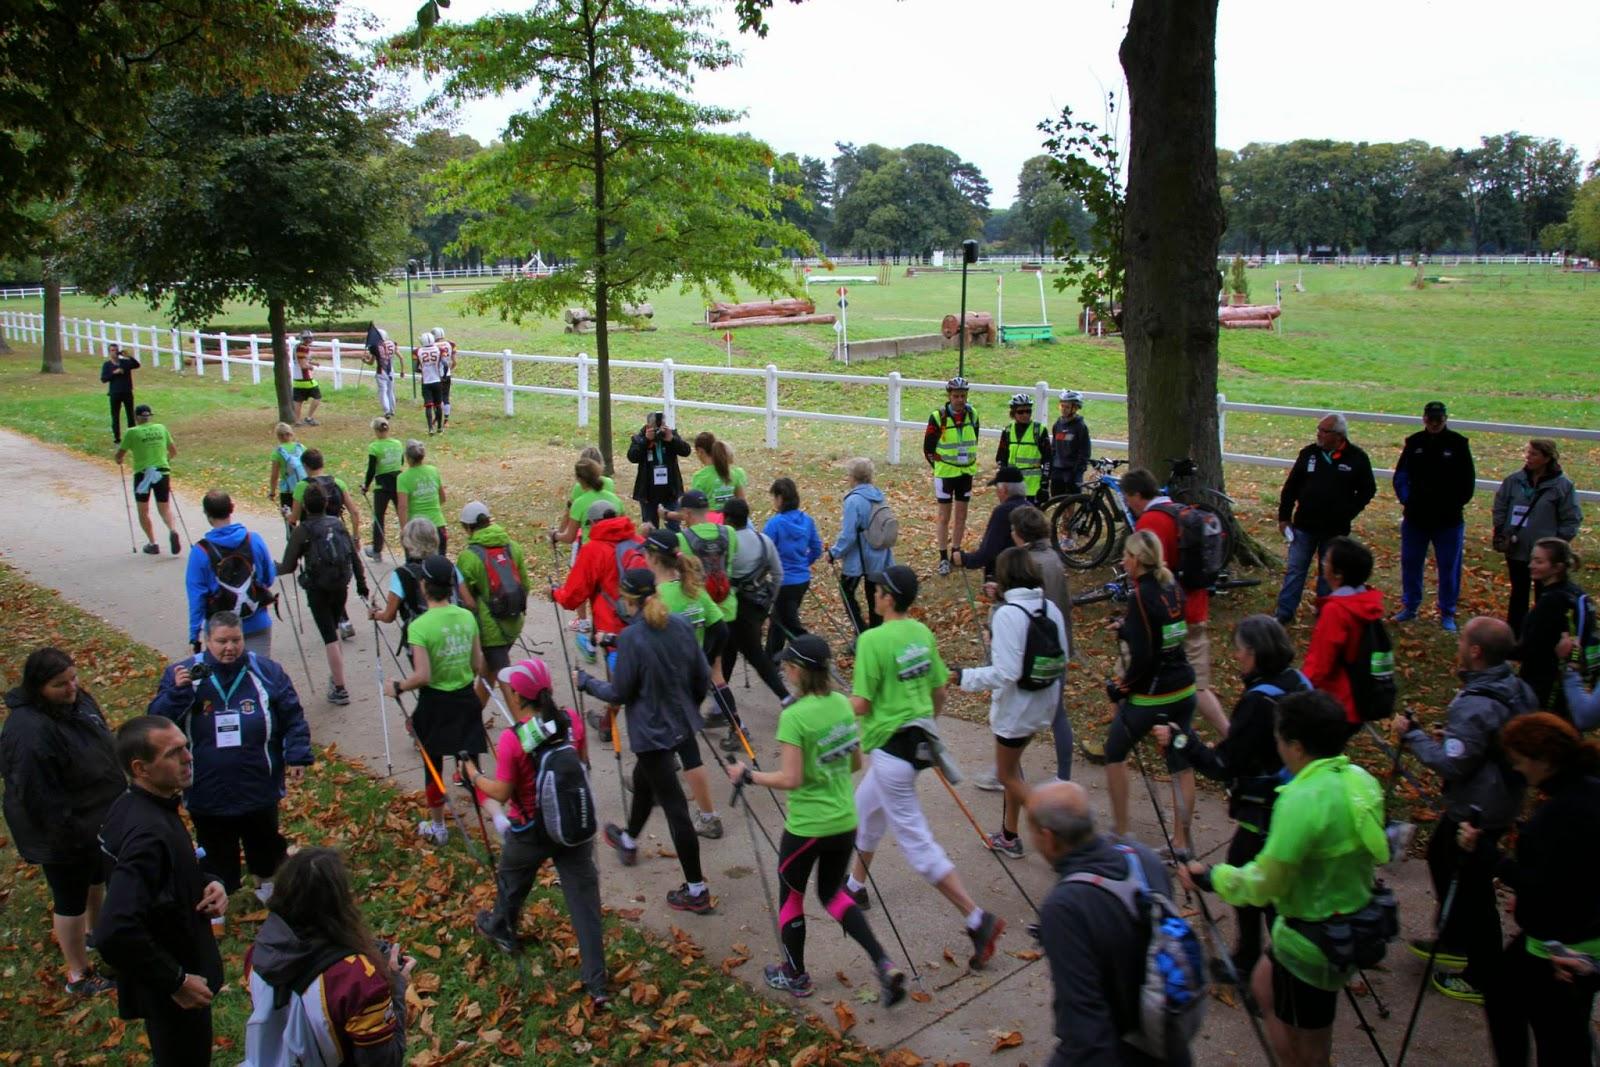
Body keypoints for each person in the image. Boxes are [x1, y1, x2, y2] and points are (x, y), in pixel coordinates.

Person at [1179, 691, 1389, 1067]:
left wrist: (1211, 877)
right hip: (1350, 921)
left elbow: (1264, 883)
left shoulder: (1299, 799)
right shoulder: (1361, 780)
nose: (1276, 745)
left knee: (1311, 1043)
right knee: (1262, 985)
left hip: (1311, 939)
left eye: (1279, 739)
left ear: (1296, 745)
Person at [724, 634, 907, 1004]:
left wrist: (749, 775)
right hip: (843, 822)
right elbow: (855, 762)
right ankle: (884, 963)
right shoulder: (841, 704)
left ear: (801, 672)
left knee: (792, 895)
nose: (784, 670)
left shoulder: (794, 717)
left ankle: (795, 974)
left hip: (807, 827)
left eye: (788, 666)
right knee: (832, 893)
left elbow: (790, 778)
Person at [842, 564, 1006, 969]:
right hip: (913, 748)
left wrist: (821, 708)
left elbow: (860, 704)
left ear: (889, 598)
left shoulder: (873, 640)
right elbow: (938, 690)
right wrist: (925, 723)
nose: (874, 594)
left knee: (918, 846)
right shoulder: (921, 633)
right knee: (864, 812)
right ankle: (853, 886)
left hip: (891, 754)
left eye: (878, 590)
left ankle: (977, 917)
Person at [1159, 616, 1308, 982]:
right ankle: (1251, 955)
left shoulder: (1258, 702)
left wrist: (1183, 742)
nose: (1236, 655)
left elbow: (1225, 764)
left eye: (1240, 649)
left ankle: (1268, 970)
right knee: (1249, 866)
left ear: (1254, 653)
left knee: (1251, 874)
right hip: (1299, 796)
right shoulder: (1296, 682)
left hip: (1266, 808)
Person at [1394, 616, 1534, 1005]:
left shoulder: (1476, 703)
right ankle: (1455, 935)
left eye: (1463, 643)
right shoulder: (1515, 687)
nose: (1458, 648)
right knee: (1440, 854)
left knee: (1473, 887)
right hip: (1500, 795)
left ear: (1475, 651)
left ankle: (1483, 973)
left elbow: (1454, 764)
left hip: (1478, 807)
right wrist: (1452, 738)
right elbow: (1480, 744)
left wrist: (1415, 737)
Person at [466, 659, 609, 1009]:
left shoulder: (514, 739)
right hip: (573, 823)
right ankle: (598, 982)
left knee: (512, 880)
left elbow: (500, 792)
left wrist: (473, 775)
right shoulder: (571, 722)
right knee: (584, 902)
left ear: (517, 696)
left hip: (531, 827)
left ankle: (500, 925)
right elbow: (582, 761)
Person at [578, 568, 717, 914]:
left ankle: (697, 888)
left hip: (651, 732)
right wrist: (688, 706)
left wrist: (586, 683)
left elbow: (620, 691)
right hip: (680, 723)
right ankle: (628, 839)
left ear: (629, 600)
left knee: (675, 808)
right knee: (644, 781)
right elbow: (701, 676)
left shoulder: (634, 638)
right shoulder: (680, 625)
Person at [148, 610, 312, 901]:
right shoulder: (185, 674)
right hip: (207, 787)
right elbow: (156, 723)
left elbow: (292, 714)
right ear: (206, 640)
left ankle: (269, 894)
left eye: (236, 640)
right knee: (215, 849)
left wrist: (297, 754)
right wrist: (178, 692)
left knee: (265, 844)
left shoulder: (267, 671)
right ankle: (219, 899)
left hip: (258, 783)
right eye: (222, 641)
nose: (230, 648)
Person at [1466, 713, 1600, 1065]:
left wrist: (1488, 855)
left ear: (1544, 762)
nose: (1517, 769)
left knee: (1558, 1036)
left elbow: (1538, 883)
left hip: (1558, 946)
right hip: (1580, 934)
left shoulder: (1558, 816)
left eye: (1520, 762)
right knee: (1504, 993)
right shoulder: (1589, 788)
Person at [94, 715, 228, 1066]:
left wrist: (208, 882)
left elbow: (165, 877)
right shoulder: (148, 834)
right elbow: (113, 930)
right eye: (174, 753)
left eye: (186, 747)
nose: (188, 757)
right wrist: (176, 981)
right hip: (174, 986)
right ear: (141, 768)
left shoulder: (140, 805)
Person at [1028, 780, 1188, 1067]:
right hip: (1168, 1040)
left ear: (1048, 838)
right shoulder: (1141, 857)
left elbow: (1085, 1036)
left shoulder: (1065, 908)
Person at [0, 648, 124, 995]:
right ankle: (78, 973)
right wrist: (70, 833)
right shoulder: (28, 731)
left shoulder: (76, 702)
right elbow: (36, 795)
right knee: (69, 896)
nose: (72, 688)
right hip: (62, 831)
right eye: (60, 684)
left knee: (95, 878)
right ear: (38, 687)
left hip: (94, 817)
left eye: (73, 678)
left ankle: (95, 932)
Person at [243, 847, 412, 1066]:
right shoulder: (356, 978)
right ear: (339, 901)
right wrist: (397, 986)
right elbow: (384, 1061)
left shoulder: (256, 953)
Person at [952, 547, 1067, 858]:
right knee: (1014, 770)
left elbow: (1006, 672)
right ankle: (1009, 835)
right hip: (1044, 703)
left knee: (1006, 776)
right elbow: (1064, 655)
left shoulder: (1007, 615)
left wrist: (962, 677)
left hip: (1017, 710)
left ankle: (1061, 833)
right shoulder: (1049, 607)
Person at [1100, 529, 1198, 850]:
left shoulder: (1140, 594)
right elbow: (1161, 632)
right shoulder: (1172, 585)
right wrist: (1125, 627)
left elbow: (1143, 656)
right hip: (1184, 686)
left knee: (1114, 752)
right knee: (1180, 764)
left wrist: (1121, 687)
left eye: (1127, 555)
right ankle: (1181, 844)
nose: (1123, 561)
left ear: (1138, 560)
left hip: (1154, 694)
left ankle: (1121, 831)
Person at [383, 555, 487, 846]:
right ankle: (486, 815)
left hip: (435, 703)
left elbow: (423, 676)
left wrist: (398, 686)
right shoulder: (467, 616)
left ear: (423, 585)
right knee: (469, 762)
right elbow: (478, 665)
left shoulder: (420, 626)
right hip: (466, 698)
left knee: (433, 765)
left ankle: (438, 826)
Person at [1121, 467, 1228, 734]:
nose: (1127, 504)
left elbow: (1144, 574)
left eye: (1126, 498)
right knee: (1198, 684)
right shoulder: (1181, 512)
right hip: (1195, 608)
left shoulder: (1150, 524)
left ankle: (1121, 733)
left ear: (1135, 495)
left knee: (1127, 667)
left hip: (1163, 616)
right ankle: (1229, 733)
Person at [641, 526, 725, 836]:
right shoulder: (694, 591)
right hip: (694, 683)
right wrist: (703, 659)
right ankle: (649, 786)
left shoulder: (658, 599)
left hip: (669, 686)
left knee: (684, 748)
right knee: (665, 740)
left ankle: (708, 816)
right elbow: (720, 630)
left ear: (652, 559)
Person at [1273, 413, 1376, 624]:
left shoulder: (1357, 458)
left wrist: (1348, 512)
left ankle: (1326, 614)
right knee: (1295, 569)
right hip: (1304, 526)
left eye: (1324, 431)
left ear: (1338, 436)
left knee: (1328, 573)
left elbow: (1368, 490)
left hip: (1334, 530)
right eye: (1318, 430)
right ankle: (1284, 612)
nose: (1318, 434)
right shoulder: (1309, 454)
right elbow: (1291, 487)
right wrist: (1284, 517)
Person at [277, 484, 370, 704]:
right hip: (340, 586)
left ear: (305, 508)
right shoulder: (337, 524)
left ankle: (340, 687)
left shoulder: (303, 530)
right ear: (327, 503)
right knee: (334, 630)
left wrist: (270, 569)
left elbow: (288, 566)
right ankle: (336, 678)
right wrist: (361, 584)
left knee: (329, 636)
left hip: (318, 589)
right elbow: (354, 557)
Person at [1392, 401, 1476, 632]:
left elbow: (1467, 483)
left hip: (1448, 520)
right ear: (1424, 419)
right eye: (1430, 419)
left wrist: (1452, 504)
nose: (1434, 423)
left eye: (1438, 419)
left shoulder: (1458, 444)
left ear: (1445, 419)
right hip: (1415, 518)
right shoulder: (1414, 443)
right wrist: (1407, 500)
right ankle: (1410, 605)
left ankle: (1447, 611)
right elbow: (1400, 476)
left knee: (1448, 566)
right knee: (1411, 563)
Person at [1492, 439, 1582, 634]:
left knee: (1545, 597)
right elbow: (1500, 506)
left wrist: (1557, 545)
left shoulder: (1562, 486)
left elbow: (1571, 518)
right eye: (1528, 452)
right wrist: (1501, 530)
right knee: (1518, 593)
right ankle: (1515, 635)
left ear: (1547, 458)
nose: (1528, 457)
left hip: (1546, 556)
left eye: (1534, 454)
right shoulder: (1514, 481)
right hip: (1517, 549)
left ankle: (1543, 635)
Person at [1302, 536, 1387, 727]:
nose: (1323, 564)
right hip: (1358, 700)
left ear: (1338, 573)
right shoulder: (1367, 603)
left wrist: (1301, 691)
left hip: (1336, 704)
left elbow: (1320, 664)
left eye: (1326, 560)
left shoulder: (1336, 611)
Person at [719, 497, 790, 713]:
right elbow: (778, 574)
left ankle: (785, 697)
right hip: (757, 605)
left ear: (727, 518)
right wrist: (770, 601)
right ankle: (720, 703)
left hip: (733, 606)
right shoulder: (763, 540)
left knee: (753, 654)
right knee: (730, 650)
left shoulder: (726, 544)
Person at [187, 490, 277, 657]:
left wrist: (194, 635)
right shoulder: (254, 539)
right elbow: (268, 578)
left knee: (227, 680)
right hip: (257, 623)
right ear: (232, 508)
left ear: (207, 514)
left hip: (220, 634)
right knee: (259, 676)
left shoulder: (200, 552)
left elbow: (196, 598)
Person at [553, 500, 644, 666]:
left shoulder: (592, 550)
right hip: (645, 621)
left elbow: (571, 597)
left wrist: (554, 593)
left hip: (612, 626)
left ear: (593, 523)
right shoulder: (639, 542)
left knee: (621, 684)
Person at [456, 500, 529, 693]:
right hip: (513, 621)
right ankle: (474, 716)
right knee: (490, 671)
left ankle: (524, 719)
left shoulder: (468, 557)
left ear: (467, 528)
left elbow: (465, 600)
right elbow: (525, 585)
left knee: (505, 680)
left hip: (490, 630)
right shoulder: (513, 547)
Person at [1511, 537, 1587, 716]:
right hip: (1567, 679)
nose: (1531, 565)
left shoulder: (1552, 602)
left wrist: (1497, 648)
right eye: (1532, 560)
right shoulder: (1576, 593)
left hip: (1544, 683)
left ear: (1557, 567)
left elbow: (1531, 647)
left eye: (1539, 562)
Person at [368, 519, 474, 645]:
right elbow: (469, 603)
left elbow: (389, 615)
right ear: (435, 539)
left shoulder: (401, 574)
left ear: (407, 543)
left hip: (422, 639)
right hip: (455, 633)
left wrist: (375, 614)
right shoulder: (449, 566)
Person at [828, 457, 894, 636]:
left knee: (847, 593)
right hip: (880, 556)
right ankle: (876, 635)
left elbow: (849, 535)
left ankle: (862, 633)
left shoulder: (853, 501)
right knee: (874, 597)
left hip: (859, 560)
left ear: (853, 477)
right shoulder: (878, 495)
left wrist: (834, 553)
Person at [924, 376, 979, 576]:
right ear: (949, 396)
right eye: (956, 396)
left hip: (965, 473)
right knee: (944, 516)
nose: (960, 400)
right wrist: (939, 466)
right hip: (946, 474)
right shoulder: (938, 417)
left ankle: (956, 550)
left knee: (961, 515)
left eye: (963, 396)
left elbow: (975, 438)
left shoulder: (973, 414)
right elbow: (928, 448)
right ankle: (942, 556)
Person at [762, 476, 822, 658]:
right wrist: (804, 563)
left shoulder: (775, 524)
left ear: (780, 498)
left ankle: (812, 653)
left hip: (783, 582)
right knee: (779, 621)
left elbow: (764, 552)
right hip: (802, 580)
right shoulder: (807, 521)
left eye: (774, 497)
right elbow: (817, 549)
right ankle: (772, 658)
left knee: (788, 624)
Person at [114, 402, 181, 556]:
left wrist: (118, 460)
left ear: (136, 418)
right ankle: (172, 530)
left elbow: (120, 455)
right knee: (164, 508)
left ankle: (153, 543)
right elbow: (173, 451)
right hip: (162, 472)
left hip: (143, 474)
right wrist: (165, 461)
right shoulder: (161, 428)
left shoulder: (132, 432)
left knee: (143, 510)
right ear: (149, 417)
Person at [952, 466, 1031, 580]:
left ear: (1004, 489)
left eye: (997, 488)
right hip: (1028, 572)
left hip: (1007, 576)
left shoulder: (1003, 512)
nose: (997, 493)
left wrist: (964, 559)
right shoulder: (1030, 507)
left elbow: (987, 553)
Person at [290, 448, 364, 548]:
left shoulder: (301, 486)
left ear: (305, 466)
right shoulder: (338, 483)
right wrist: (356, 537)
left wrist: (287, 515)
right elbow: (354, 512)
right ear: (322, 463)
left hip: (312, 538)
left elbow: (294, 518)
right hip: (336, 534)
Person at [627, 413, 691, 529]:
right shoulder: (640, 438)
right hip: (648, 492)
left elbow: (686, 451)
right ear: (648, 426)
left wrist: (672, 440)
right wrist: (646, 440)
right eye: (655, 427)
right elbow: (632, 457)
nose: (659, 431)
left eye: (662, 426)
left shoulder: (670, 435)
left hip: (669, 490)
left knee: (674, 528)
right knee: (650, 528)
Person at [552, 455, 624, 549]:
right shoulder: (616, 500)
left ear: (579, 479)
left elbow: (569, 537)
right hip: (614, 552)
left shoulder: (579, 503)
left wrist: (555, 535)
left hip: (590, 552)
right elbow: (624, 529)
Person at [995, 393, 1051, 504]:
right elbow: (1001, 458)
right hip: (1013, 486)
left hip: (1033, 487)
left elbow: (1048, 459)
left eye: (1028, 411)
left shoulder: (1039, 430)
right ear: (1013, 413)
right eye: (1020, 412)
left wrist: (1044, 484)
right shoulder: (1008, 431)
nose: (1025, 415)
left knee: (1031, 520)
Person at [396, 439, 449, 552]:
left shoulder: (403, 478)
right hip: (438, 525)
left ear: (407, 457)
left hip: (417, 529)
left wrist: (404, 531)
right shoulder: (434, 471)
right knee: (438, 564)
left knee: (416, 566)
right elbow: (443, 498)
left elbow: (402, 507)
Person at [363, 416, 405, 560]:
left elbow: (371, 469)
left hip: (382, 485)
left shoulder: (374, 446)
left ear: (376, 430)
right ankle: (410, 547)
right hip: (398, 482)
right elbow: (401, 461)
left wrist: (366, 486)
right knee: (403, 515)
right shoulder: (398, 443)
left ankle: (377, 550)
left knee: (379, 517)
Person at [689, 430, 747, 510]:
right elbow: (742, 503)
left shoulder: (700, 477)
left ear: (700, 451)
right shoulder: (737, 472)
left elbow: (695, 508)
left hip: (710, 520)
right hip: (732, 519)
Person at [1049, 389, 1090, 498]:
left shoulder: (1080, 427)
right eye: (1062, 406)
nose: (1063, 409)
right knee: (1057, 499)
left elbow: (1084, 451)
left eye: (1067, 407)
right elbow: (1054, 447)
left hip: (1072, 470)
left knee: (1070, 500)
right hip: (1057, 468)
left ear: (1075, 408)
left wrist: (1078, 470)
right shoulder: (1057, 424)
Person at [102, 341, 141, 444]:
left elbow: (137, 365)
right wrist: (114, 373)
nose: (114, 352)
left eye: (115, 350)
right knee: (115, 416)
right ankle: (117, 437)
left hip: (127, 391)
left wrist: (129, 356)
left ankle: (132, 436)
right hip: (115, 393)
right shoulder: (107, 365)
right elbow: (104, 379)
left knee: (130, 414)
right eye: (112, 351)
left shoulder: (125, 363)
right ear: (109, 352)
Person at [267, 422, 307, 516]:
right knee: (305, 518)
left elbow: (274, 475)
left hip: (287, 490)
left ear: (278, 436)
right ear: (291, 434)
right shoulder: (301, 447)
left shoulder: (277, 452)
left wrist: (272, 492)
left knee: (289, 519)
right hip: (304, 488)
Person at [362, 325, 402, 419]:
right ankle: (392, 409)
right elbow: (400, 356)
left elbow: (371, 362)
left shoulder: (375, 347)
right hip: (390, 370)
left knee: (383, 391)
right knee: (390, 391)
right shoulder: (392, 344)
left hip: (381, 371)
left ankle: (386, 410)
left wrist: (365, 360)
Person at [415, 331, 445, 435]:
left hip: (426, 381)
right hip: (437, 380)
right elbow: (444, 364)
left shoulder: (418, 351)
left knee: (428, 405)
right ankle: (440, 427)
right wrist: (443, 375)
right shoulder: (438, 350)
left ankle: (430, 428)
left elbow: (416, 368)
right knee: (438, 405)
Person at [292, 329, 322, 426]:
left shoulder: (297, 347)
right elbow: (303, 365)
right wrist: (310, 366)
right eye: (307, 338)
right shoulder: (303, 348)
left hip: (297, 379)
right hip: (305, 378)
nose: (309, 340)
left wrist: (313, 362)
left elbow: (302, 360)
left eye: (310, 338)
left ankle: (297, 421)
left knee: (298, 400)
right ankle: (309, 418)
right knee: (317, 397)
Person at [431, 325, 456, 427]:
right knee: (446, 397)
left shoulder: (433, 346)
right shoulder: (450, 344)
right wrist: (449, 370)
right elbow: (454, 362)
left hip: (437, 375)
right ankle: (446, 420)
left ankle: (437, 418)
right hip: (447, 374)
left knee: (436, 398)